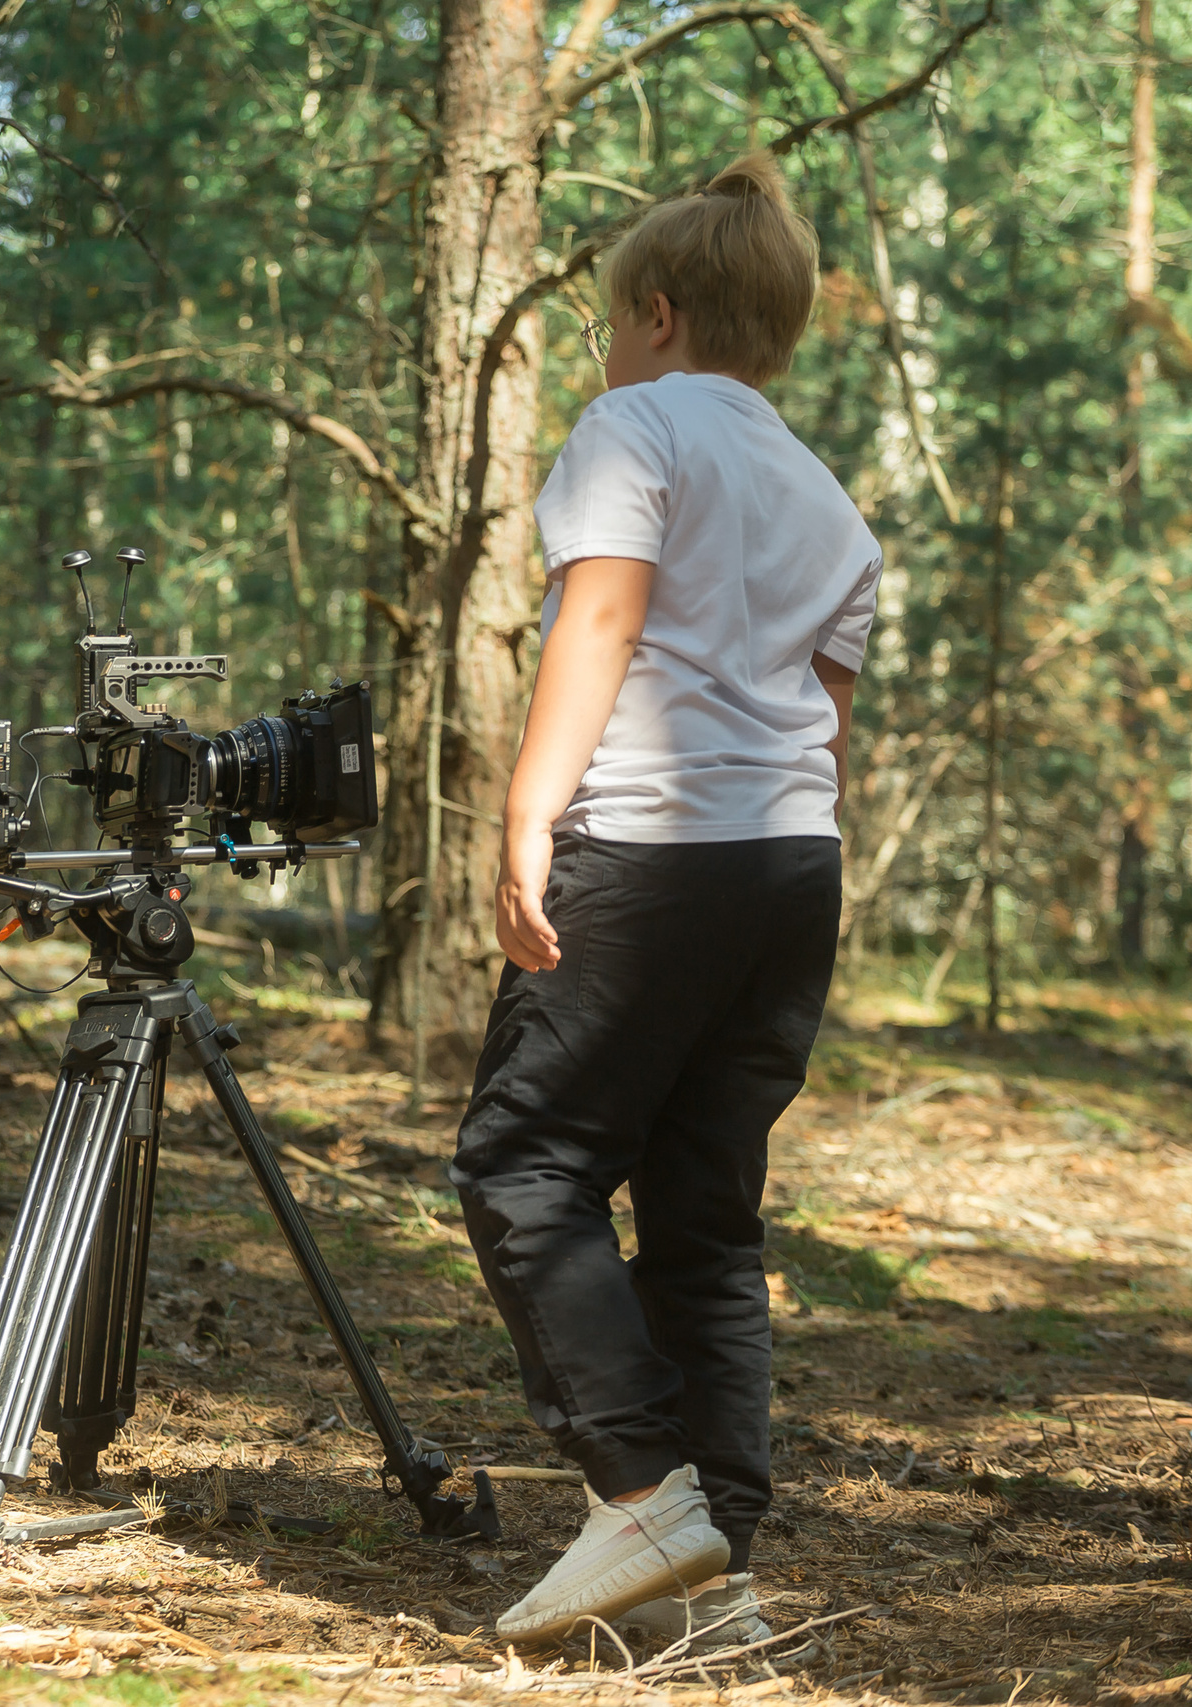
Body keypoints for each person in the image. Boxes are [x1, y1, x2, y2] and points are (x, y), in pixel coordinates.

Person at [453, 156, 880, 1648]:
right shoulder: (833, 502)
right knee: (706, 1212)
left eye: (606, 322)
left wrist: (528, 812)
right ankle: (722, 1570)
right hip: (789, 869)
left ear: (655, 310)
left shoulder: (634, 424)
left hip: (647, 852)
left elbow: (605, 614)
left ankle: (638, 1488)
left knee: (525, 1162)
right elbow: (821, 724)